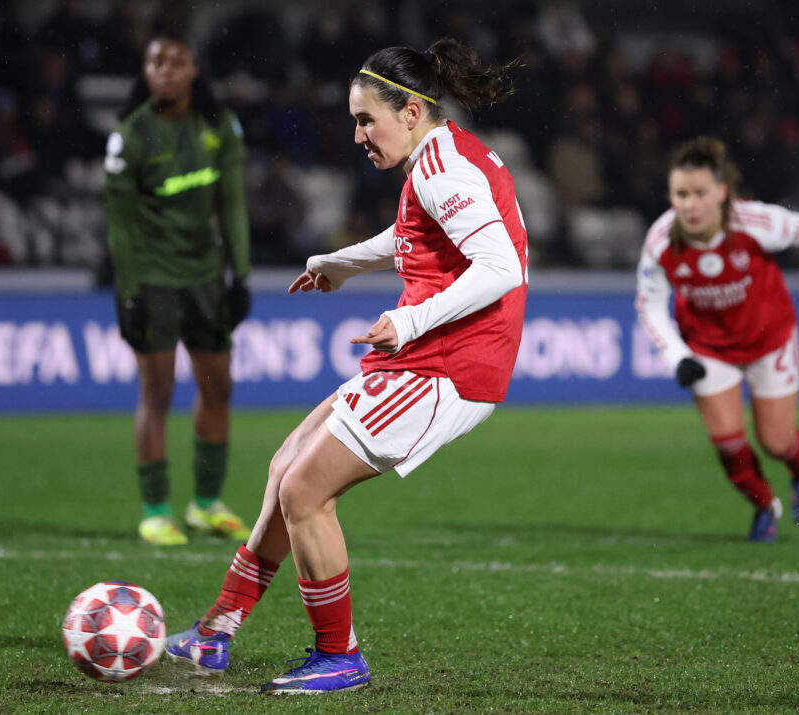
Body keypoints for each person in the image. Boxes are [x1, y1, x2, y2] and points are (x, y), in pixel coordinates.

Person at [165, 37, 528, 693]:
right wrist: (343, 262)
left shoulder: (443, 170)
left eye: (368, 120)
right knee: (286, 466)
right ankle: (216, 629)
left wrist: (410, 319)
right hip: (424, 359)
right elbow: (415, 236)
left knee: (306, 489)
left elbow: (503, 267)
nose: (359, 134)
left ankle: (340, 655)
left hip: (446, 366)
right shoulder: (442, 159)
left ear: (412, 112)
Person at [636, 136, 799, 542]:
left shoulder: (754, 223)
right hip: (708, 348)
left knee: (776, 441)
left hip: (768, 340)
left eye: (699, 193)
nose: (689, 204)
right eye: (680, 194)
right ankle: (765, 505)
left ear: (722, 193)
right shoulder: (660, 240)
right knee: (727, 444)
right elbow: (648, 304)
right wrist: (677, 356)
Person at [103, 32, 253, 546]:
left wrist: (241, 274)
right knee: (157, 392)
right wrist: (128, 291)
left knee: (218, 388)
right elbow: (119, 226)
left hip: (206, 277)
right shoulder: (131, 136)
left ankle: (206, 504)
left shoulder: (218, 126)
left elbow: (231, 204)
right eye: (156, 62)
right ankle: (156, 509)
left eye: (177, 61)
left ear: (193, 71)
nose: (166, 70)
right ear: (145, 73)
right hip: (154, 277)